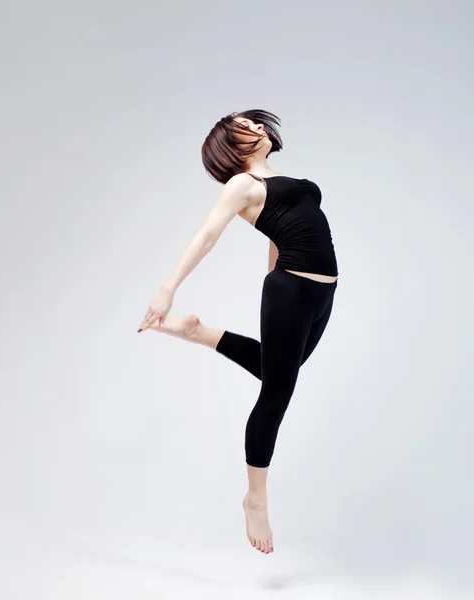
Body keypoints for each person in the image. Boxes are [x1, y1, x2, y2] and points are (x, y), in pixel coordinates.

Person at [137, 109, 339, 555]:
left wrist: (275, 279)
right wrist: (166, 291)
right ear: (231, 146)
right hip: (292, 289)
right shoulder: (242, 186)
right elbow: (207, 235)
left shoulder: (281, 184)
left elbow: (277, 233)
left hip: (318, 294)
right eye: (245, 126)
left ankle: (198, 333)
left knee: (278, 370)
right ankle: (255, 498)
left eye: (257, 122)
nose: (258, 127)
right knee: (276, 394)